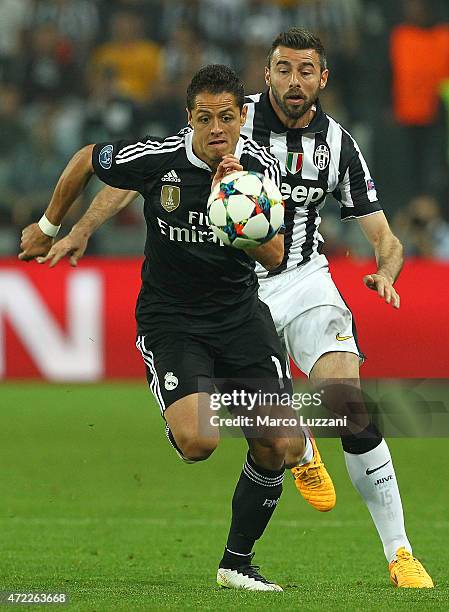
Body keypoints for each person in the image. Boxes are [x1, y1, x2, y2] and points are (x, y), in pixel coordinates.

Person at [19, 64, 326, 592]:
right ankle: (187, 407)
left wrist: (235, 210)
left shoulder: (260, 170)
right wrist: (52, 226)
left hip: (238, 317)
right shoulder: (158, 158)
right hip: (173, 321)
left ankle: (237, 563)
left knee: (280, 446)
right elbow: (86, 159)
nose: (215, 130)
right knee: (197, 442)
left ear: (242, 117)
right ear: (190, 119)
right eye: (204, 118)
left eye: (226, 118)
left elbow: (276, 257)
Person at [239, 27, 433, 588]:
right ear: (267, 73)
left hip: (302, 279)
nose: (293, 81)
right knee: (236, 423)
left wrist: (386, 272)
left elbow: (386, 238)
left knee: (348, 401)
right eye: (282, 69)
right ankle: (298, 449)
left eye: (305, 71)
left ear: (323, 78)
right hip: (232, 289)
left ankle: (401, 554)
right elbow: (162, 165)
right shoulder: (232, 121)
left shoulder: (339, 146)